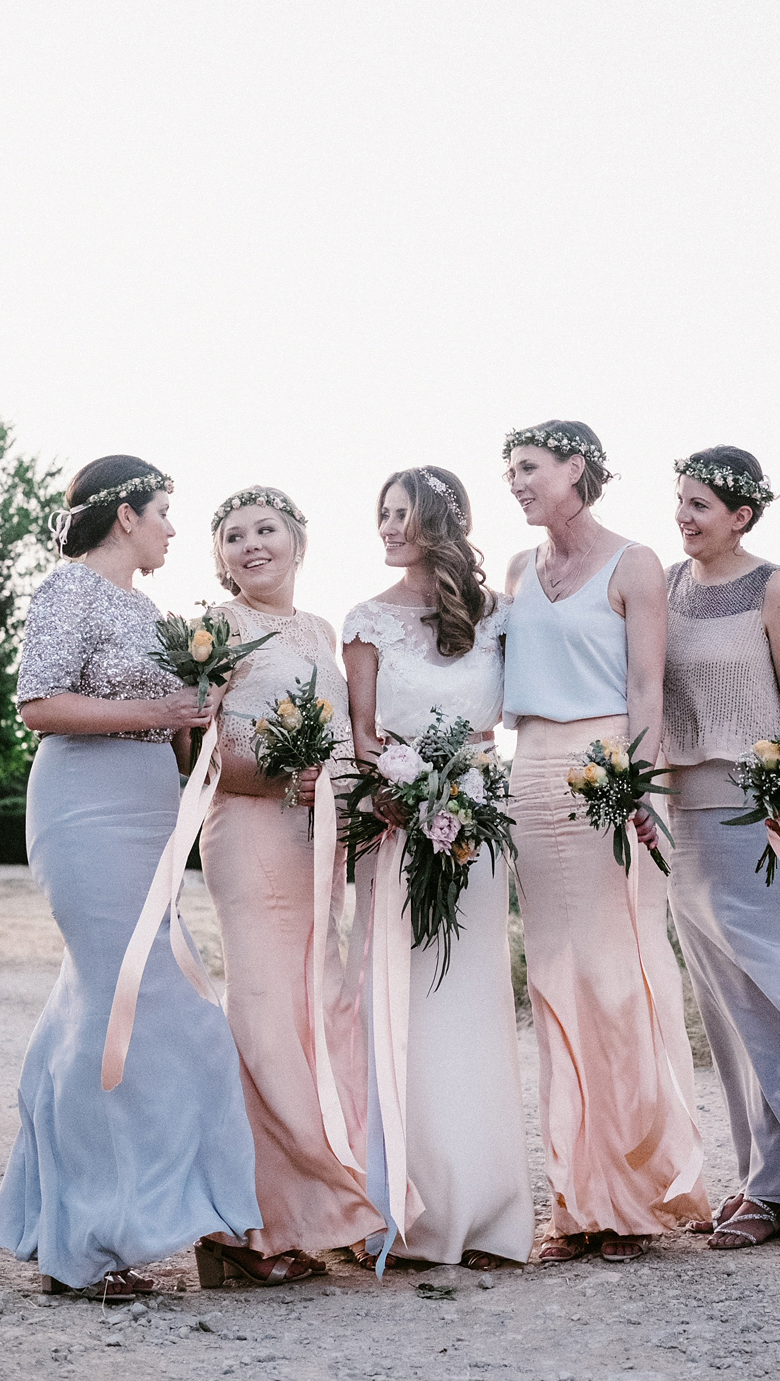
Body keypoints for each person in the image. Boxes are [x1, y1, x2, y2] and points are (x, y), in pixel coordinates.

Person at [0, 456, 261, 1298]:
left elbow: (172, 731)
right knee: (130, 1009)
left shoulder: (147, 609)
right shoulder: (69, 591)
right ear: (126, 516)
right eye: (167, 512)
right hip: (84, 808)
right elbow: (39, 704)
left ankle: (72, 1221)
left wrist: (195, 715)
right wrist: (162, 711)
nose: (176, 528)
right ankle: (89, 1242)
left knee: (102, 1010)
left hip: (149, 812)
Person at [502, 420, 710, 1264]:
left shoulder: (635, 564)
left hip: (609, 773)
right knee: (554, 982)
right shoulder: (518, 570)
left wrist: (636, 786)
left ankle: (636, 1196)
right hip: (529, 774)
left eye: (528, 467)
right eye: (508, 469)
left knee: (619, 978)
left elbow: (647, 689)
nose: (514, 481)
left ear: (575, 468)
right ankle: (576, 1202)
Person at [342, 466, 533, 1272]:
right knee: (401, 1006)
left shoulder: (496, 618)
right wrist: (403, 793)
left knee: (475, 999)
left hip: (482, 820)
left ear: (442, 525)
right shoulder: (363, 622)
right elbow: (359, 737)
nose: (387, 528)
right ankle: (404, 1209)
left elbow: (515, 713)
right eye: (382, 513)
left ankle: (485, 1212)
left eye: (403, 516)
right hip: (398, 823)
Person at [663, 447, 780, 1251]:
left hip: (757, 810)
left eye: (699, 504)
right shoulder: (667, 585)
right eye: (680, 501)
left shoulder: (773, 586)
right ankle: (757, 1177)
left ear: (741, 516)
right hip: (684, 811)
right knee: (721, 1004)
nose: (683, 515)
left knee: (768, 989)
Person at [197, 486, 383, 1286]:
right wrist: (282, 773)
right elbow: (200, 749)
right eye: (233, 536)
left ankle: (313, 1215)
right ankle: (244, 1226)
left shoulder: (320, 631)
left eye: (265, 530)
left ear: (298, 542)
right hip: (247, 833)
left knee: (320, 1005)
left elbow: (343, 738)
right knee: (266, 1010)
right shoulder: (216, 628)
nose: (250, 546)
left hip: (319, 841)